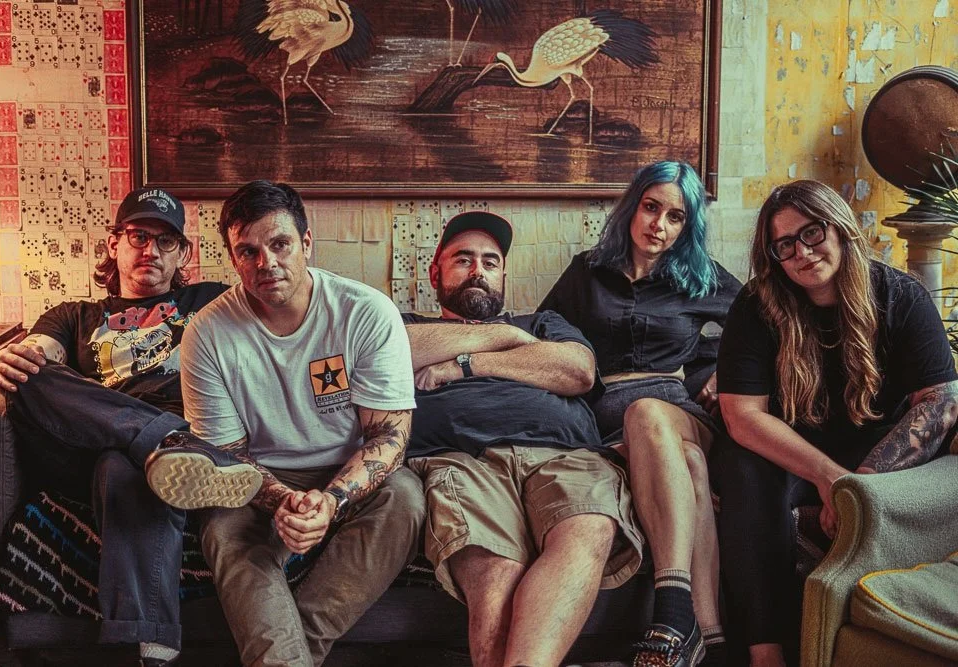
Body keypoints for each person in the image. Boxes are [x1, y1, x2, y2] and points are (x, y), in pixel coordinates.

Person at [0, 187, 262, 667]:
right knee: (28, 378)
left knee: (123, 466)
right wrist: (12, 358)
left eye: (165, 240)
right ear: (114, 243)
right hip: (94, 438)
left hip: (147, 451)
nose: (151, 250)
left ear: (183, 253)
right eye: (138, 236)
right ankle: (168, 440)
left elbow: (298, 311)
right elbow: (40, 352)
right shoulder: (74, 315)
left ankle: (151, 649)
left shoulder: (213, 301)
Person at [179, 180, 425, 667]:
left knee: (406, 498)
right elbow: (228, 457)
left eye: (280, 244)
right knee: (223, 527)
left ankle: (293, 656)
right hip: (257, 477)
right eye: (248, 251)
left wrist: (329, 502)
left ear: (307, 243)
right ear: (233, 259)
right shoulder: (206, 333)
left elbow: (390, 436)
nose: (266, 263)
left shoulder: (366, 312)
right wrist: (286, 502)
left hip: (346, 469)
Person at [714, 179, 958, 667]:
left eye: (812, 233)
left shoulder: (901, 296)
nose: (802, 253)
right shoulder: (757, 304)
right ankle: (765, 651)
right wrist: (827, 476)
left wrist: (858, 485)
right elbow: (743, 416)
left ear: (839, 227)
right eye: (784, 245)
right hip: (789, 447)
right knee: (743, 467)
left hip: (875, 450)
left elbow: (940, 403)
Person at [402, 211, 645, 667]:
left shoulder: (541, 324)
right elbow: (393, 350)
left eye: (490, 262)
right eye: (463, 259)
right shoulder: (404, 322)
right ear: (435, 273)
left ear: (504, 276)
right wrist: (506, 340)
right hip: (461, 459)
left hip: (566, 456)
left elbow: (578, 371)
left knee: (588, 526)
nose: (478, 270)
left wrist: (468, 364)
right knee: (496, 568)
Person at [538, 161, 742, 667]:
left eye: (676, 217)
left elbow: (770, 327)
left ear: (687, 226)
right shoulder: (587, 272)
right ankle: (709, 640)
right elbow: (545, 336)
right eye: (652, 208)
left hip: (677, 410)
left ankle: (671, 608)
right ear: (632, 207)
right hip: (605, 425)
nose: (659, 226)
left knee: (647, 412)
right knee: (690, 467)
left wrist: (727, 371)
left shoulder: (701, 278)